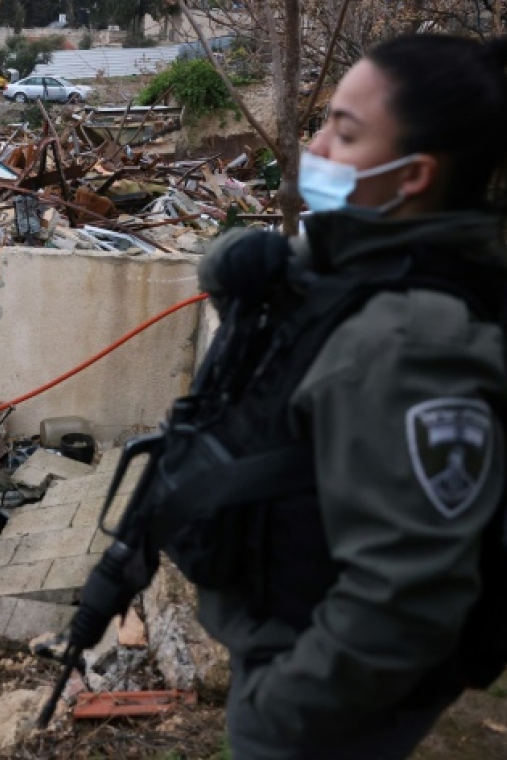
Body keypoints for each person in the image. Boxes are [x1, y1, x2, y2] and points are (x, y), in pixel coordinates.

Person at [182, 33, 507, 758]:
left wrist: (276, 719)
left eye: (345, 131)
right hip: (285, 631)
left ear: (415, 174)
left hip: (319, 699)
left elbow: (406, 594)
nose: (315, 145)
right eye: (324, 119)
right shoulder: (358, 269)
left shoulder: (413, 340)